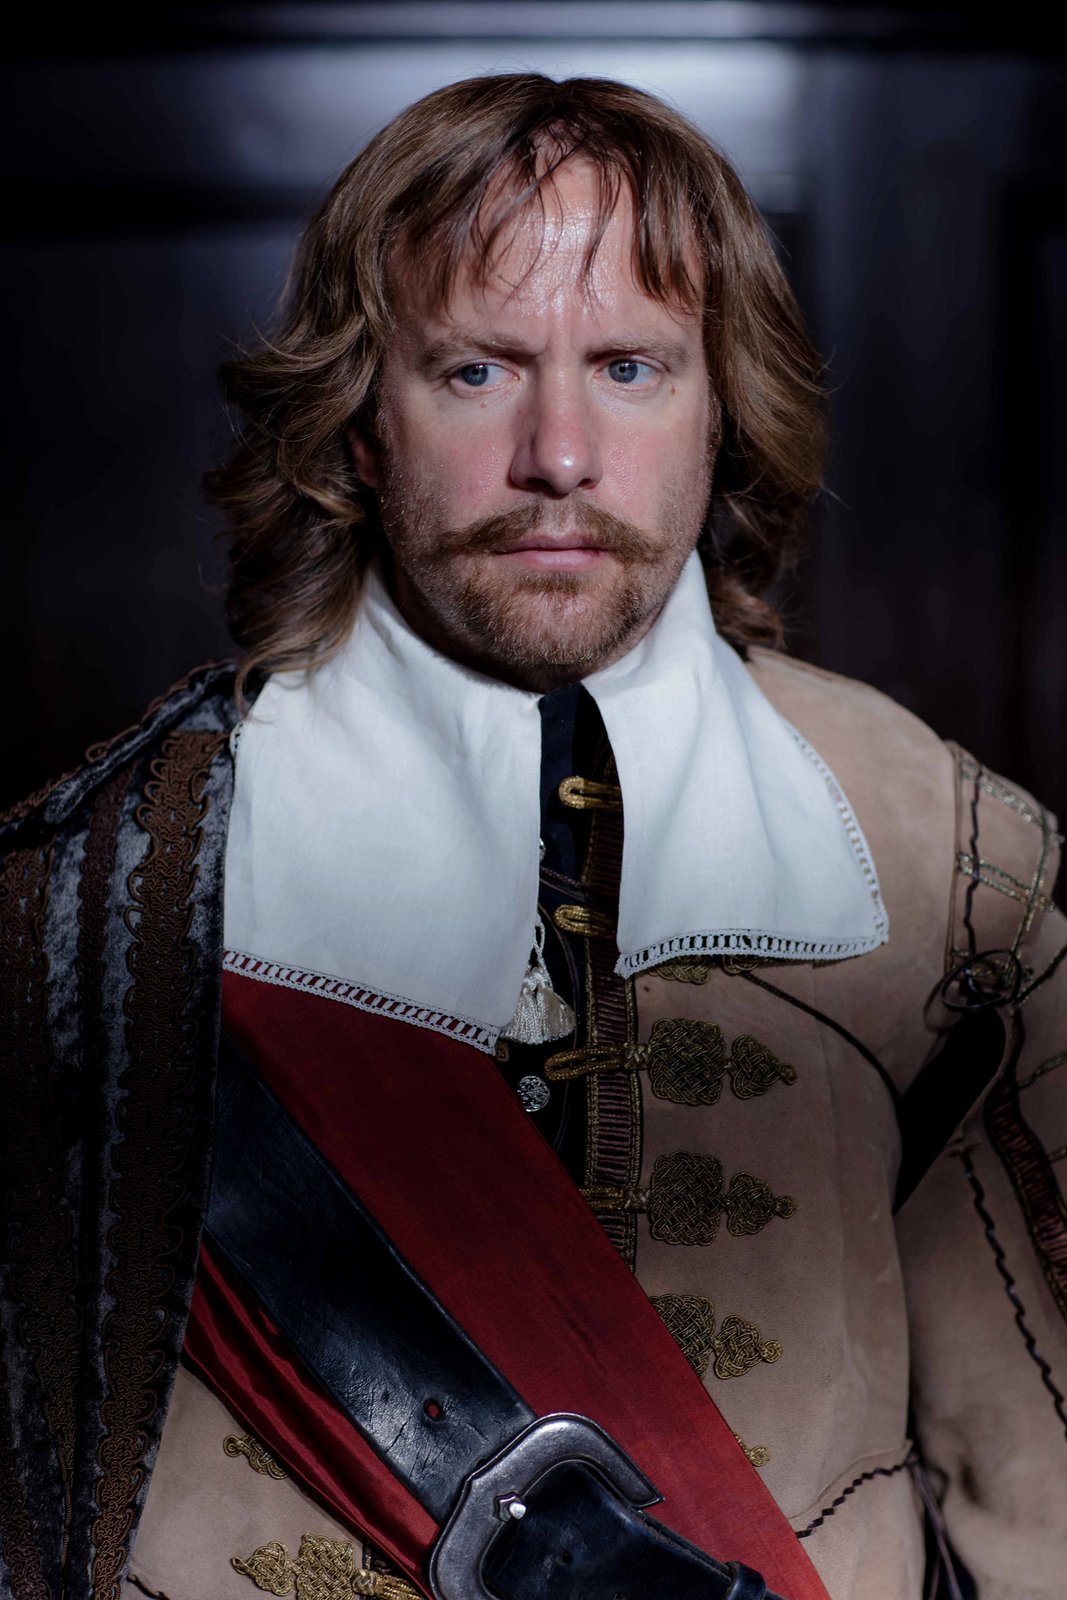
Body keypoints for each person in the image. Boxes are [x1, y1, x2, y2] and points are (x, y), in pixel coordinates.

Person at [1, 72, 1064, 1600]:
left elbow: (1042, 1509)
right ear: (361, 425)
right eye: (477, 370)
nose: (559, 454)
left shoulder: (952, 867)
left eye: (630, 367)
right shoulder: (85, 897)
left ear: (721, 413)